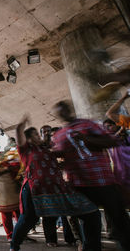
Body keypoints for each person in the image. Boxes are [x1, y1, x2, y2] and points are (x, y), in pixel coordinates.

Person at [10, 114, 100, 251]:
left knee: (87, 211)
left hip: (57, 189)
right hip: (35, 190)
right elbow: (18, 132)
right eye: (35, 135)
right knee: (28, 219)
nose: (39, 137)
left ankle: (87, 245)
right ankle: (14, 246)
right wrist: (23, 121)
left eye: (38, 135)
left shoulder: (48, 148)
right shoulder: (26, 150)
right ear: (27, 139)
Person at [52, 100, 130, 251]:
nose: (63, 114)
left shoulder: (87, 124)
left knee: (120, 220)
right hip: (81, 186)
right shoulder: (59, 136)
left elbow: (111, 141)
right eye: (59, 112)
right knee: (90, 223)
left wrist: (87, 139)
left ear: (69, 110)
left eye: (64, 110)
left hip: (104, 182)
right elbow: (60, 158)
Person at [102, 119, 130, 205]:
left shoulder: (126, 135)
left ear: (115, 125)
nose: (108, 128)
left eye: (110, 125)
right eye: (106, 127)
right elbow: (111, 141)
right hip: (119, 167)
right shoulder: (108, 138)